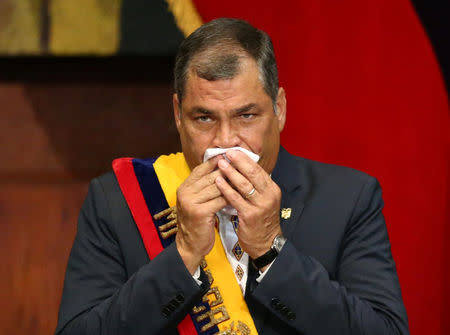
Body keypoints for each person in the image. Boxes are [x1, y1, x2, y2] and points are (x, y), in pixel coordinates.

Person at [55, 18, 409, 335]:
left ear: (279, 109)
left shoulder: (348, 198)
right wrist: (182, 256)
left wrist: (272, 252)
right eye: (204, 118)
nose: (225, 141)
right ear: (178, 115)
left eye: (246, 116)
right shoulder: (118, 200)